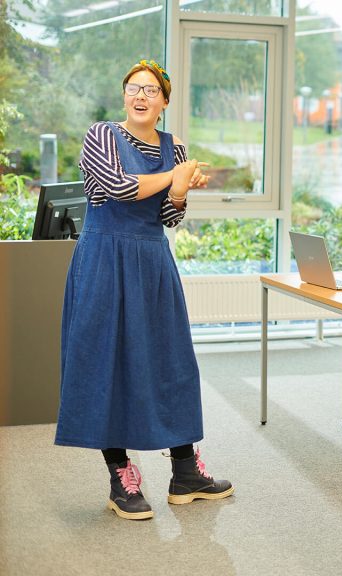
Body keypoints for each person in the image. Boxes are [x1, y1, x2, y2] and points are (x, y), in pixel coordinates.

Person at [54, 60, 232, 521]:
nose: (141, 96)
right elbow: (115, 187)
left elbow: (170, 217)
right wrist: (172, 178)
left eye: (151, 90)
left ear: (164, 102)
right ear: (124, 95)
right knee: (105, 363)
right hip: (104, 260)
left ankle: (185, 470)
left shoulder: (177, 149)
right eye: (134, 88)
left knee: (171, 362)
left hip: (152, 261)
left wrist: (178, 191)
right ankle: (120, 475)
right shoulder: (101, 135)